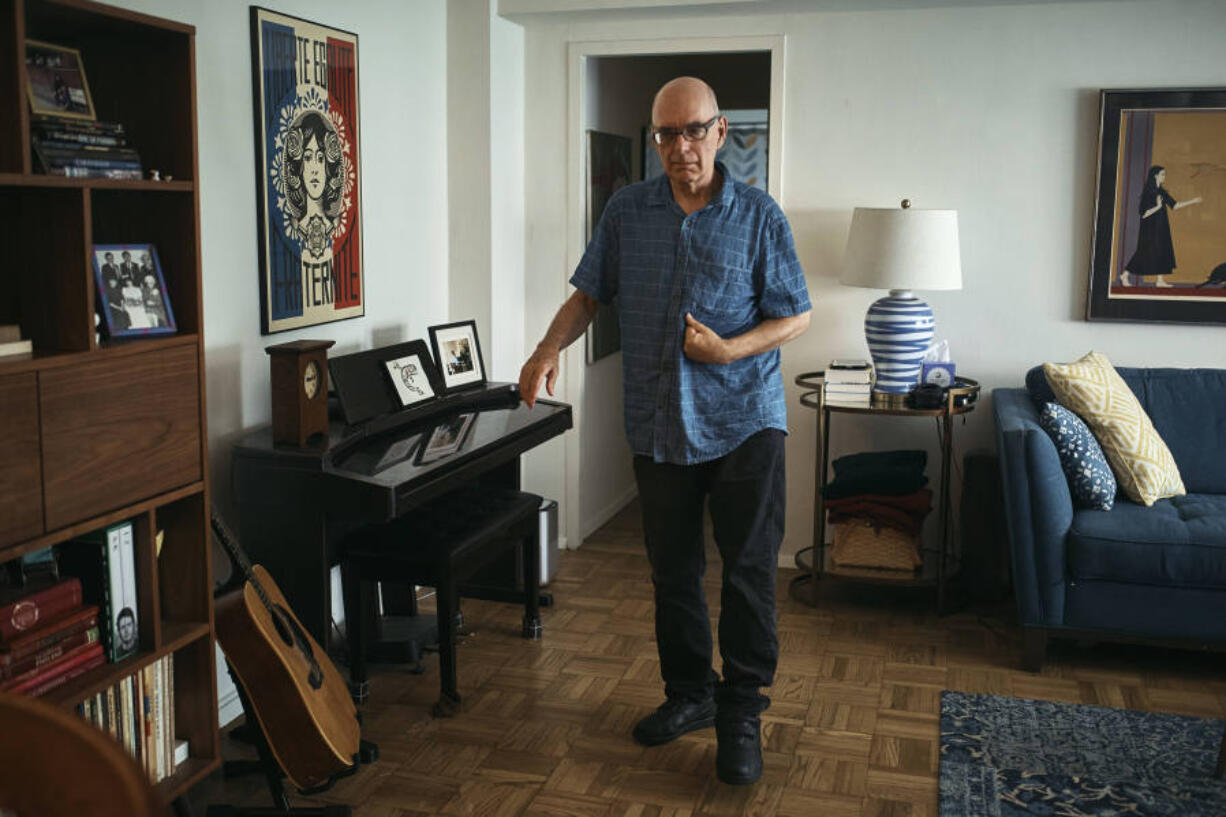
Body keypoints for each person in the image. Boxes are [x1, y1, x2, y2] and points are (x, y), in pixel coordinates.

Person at [518, 77, 811, 786]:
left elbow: (795, 314)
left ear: (720, 132)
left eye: (693, 131)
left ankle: (740, 711)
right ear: (656, 141)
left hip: (745, 420)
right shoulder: (626, 211)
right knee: (673, 571)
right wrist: (545, 349)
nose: (680, 147)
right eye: (666, 134)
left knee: (746, 573)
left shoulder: (760, 215)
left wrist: (729, 349)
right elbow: (590, 293)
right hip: (659, 425)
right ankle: (690, 695)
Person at [1121, 165, 1202, 288]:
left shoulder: (1162, 192)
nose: (1165, 176)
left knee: (1162, 251)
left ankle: (1160, 280)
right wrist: (1157, 207)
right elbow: (1143, 214)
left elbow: (1174, 206)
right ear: (1156, 176)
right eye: (1163, 174)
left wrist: (1193, 201)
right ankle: (1125, 275)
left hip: (1161, 227)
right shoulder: (1149, 192)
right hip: (1149, 229)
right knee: (1144, 252)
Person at [283, 111, 345, 260]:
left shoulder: (333, 225)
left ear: (328, 167)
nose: (315, 169)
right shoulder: (298, 225)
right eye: (308, 157)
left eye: (321, 158)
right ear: (300, 166)